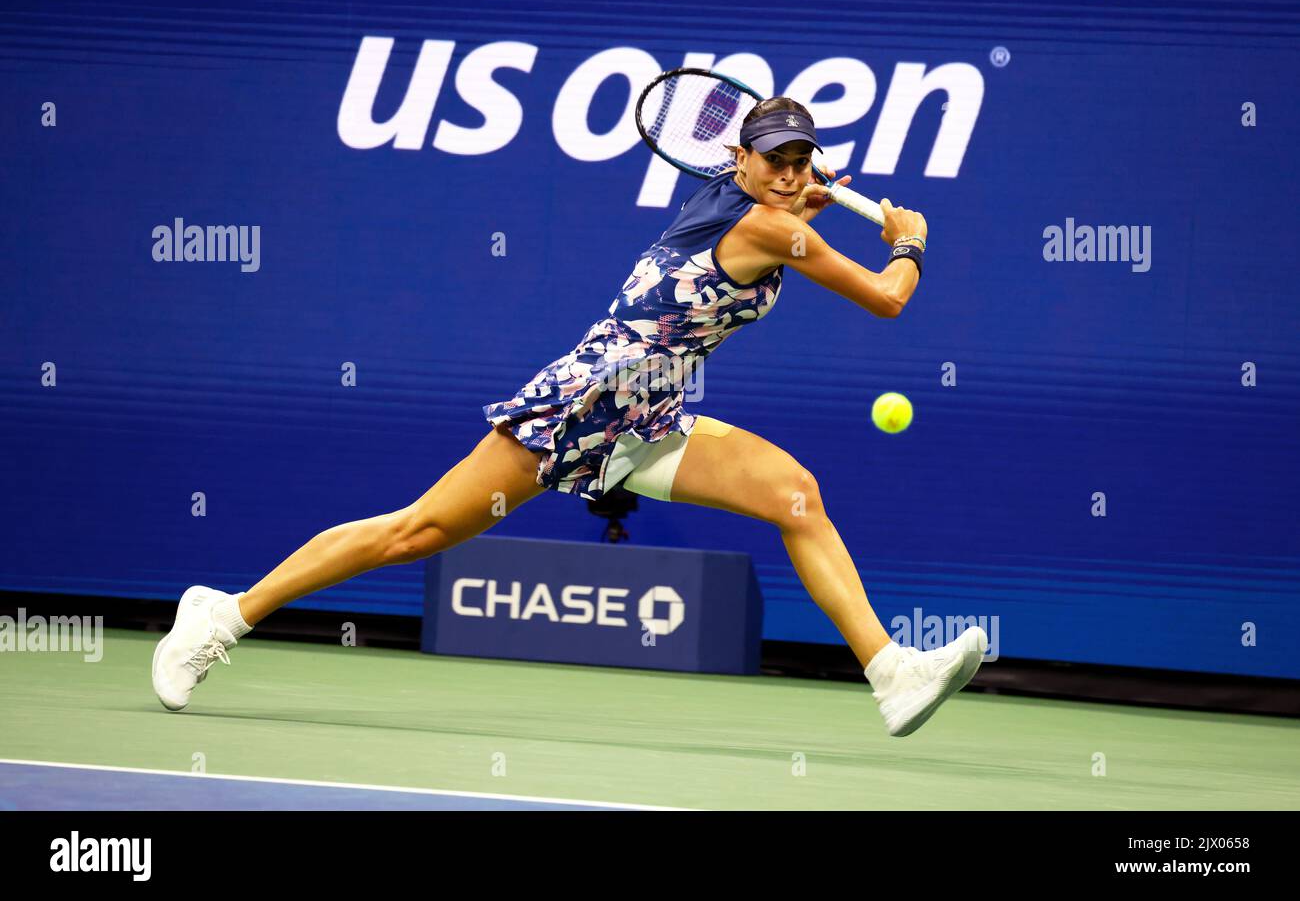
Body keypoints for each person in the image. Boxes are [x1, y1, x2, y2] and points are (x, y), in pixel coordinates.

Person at [152, 96, 986, 737]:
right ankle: (221, 615)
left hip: (649, 419)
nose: (786, 172)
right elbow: (884, 299)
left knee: (792, 494)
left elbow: (773, 224)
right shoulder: (772, 224)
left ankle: (890, 673)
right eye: (771, 159)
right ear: (739, 160)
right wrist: (908, 241)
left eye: (800, 160)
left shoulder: (746, 205)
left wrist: (801, 201)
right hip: (582, 406)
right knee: (413, 534)